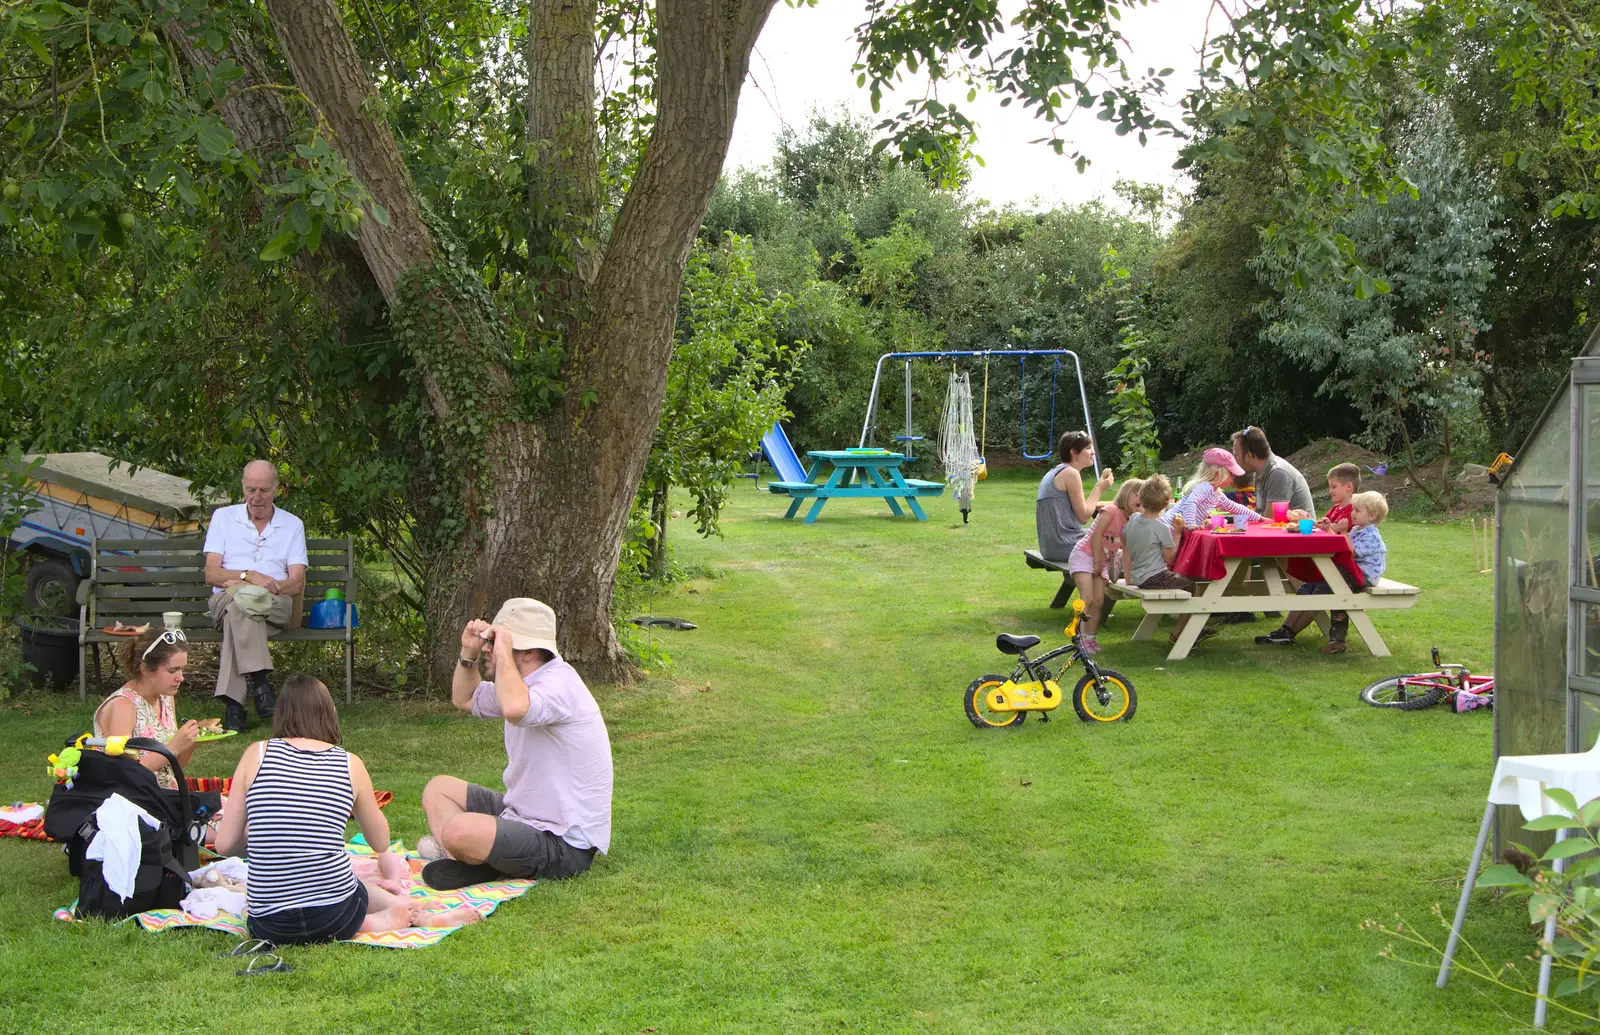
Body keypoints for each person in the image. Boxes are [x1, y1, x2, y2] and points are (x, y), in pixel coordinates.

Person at [213, 674, 480, 944]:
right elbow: (380, 842)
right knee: (350, 885)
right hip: (336, 913)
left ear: (280, 715)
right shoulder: (349, 763)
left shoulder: (256, 754)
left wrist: (266, 841)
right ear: (331, 713)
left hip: (269, 924)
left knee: (339, 887)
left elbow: (224, 845)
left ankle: (391, 915)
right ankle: (387, 916)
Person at [418, 598, 613, 891]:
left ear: (529, 651)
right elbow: (465, 698)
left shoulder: (558, 685)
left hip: (562, 842)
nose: (488, 648)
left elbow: (515, 708)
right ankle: (476, 859)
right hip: (523, 814)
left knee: (458, 829)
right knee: (439, 789)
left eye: (494, 642)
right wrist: (468, 653)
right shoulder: (520, 683)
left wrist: (503, 654)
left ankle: (475, 858)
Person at [203, 460, 308, 732]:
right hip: (227, 597)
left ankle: (234, 706)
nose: (256, 497)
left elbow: (296, 583)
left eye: (263, 490)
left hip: (273, 604)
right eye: (250, 489)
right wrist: (247, 577)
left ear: (276, 490)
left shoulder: (292, 524)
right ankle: (260, 685)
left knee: (238, 613)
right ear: (242, 488)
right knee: (239, 606)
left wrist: (266, 588)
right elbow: (212, 574)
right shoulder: (224, 518)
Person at [1256, 490, 1389, 653]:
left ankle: (1336, 641)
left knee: (1327, 592)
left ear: (1372, 516)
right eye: (1353, 509)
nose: (1352, 513)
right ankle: (1286, 631)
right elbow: (1340, 545)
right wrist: (1329, 531)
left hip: (1363, 576)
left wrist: (1344, 532)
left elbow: (1349, 552)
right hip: (1348, 571)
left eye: (1357, 510)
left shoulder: (1371, 534)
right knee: (1309, 587)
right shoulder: (1358, 530)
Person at [92, 627, 200, 792]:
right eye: (172, 670)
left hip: (166, 796)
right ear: (146, 669)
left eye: (181, 669)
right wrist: (173, 747)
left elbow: (174, 765)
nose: (181, 677)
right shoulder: (124, 706)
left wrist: (190, 744)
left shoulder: (165, 697)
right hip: (134, 803)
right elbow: (124, 776)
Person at [1124, 475, 1213, 646]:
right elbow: (1170, 557)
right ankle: (1179, 634)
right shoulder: (1161, 527)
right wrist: (1178, 532)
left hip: (1139, 575)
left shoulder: (1134, 519)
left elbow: (1126, 536)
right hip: (1154, 577)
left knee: (1184, 581)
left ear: (1141, 499)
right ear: (1166, 504)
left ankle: (1190, 628)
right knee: (1194, 587)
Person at [1067, 478, 1143, 655]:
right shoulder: (1110, 511)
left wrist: (1129, 577)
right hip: (1084, 555)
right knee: (1087, 599)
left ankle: (1089, 639)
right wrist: (1099, 561)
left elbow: (1125, 550)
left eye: (1143, 497)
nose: (1140, 499)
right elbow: (1096, 535)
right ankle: (1076, 636)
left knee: (1099, 601)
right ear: (1125, 494)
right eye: (1136, 494)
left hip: (1102, 561)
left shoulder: (1131, 522)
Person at [1036, 430, 1115, 562]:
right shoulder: (1070, 473)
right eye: (1088, 448)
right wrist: (1100, 488)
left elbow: (1080, 510)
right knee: (1116, 536)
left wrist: (1098, 492)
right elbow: (1083, 516)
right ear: (1073, 452)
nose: (1093, 452)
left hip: (1051, 546)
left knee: (1108, 535)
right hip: (1064, 545)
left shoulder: (1057, 471)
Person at [1171, 448, 1266, 530]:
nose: (1234, 477)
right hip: (1170, 527)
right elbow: (1191, 502)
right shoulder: (1206, 487)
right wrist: (1191, 524)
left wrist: (1259, 518)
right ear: (1218, 474)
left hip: (1176, 529)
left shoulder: (1217, 493)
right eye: (1231, 473)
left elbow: (1235, 508)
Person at [1232, 426, 1313, 519]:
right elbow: (1260, 515)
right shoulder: (1260, 472)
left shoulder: (1278, 474)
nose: (1235, 461)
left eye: (1237, 456)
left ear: (1249, 456)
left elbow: (1270, 522)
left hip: (1298, 532)